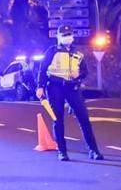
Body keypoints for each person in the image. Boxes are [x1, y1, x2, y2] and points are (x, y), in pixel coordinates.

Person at [37, 25, 105, 161]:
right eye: (64, 35)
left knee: (84, 119)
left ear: (73, 36)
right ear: (59, 37)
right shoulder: (52, 51)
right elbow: (42, 69)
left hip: (72, 88)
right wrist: (40, 87)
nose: (68, 37)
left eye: (69, 34)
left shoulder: (78, 54)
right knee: (58, 119)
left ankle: (94, 150)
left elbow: (85, 72)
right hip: (55, 87)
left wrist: (78, 74)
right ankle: (62, 152)